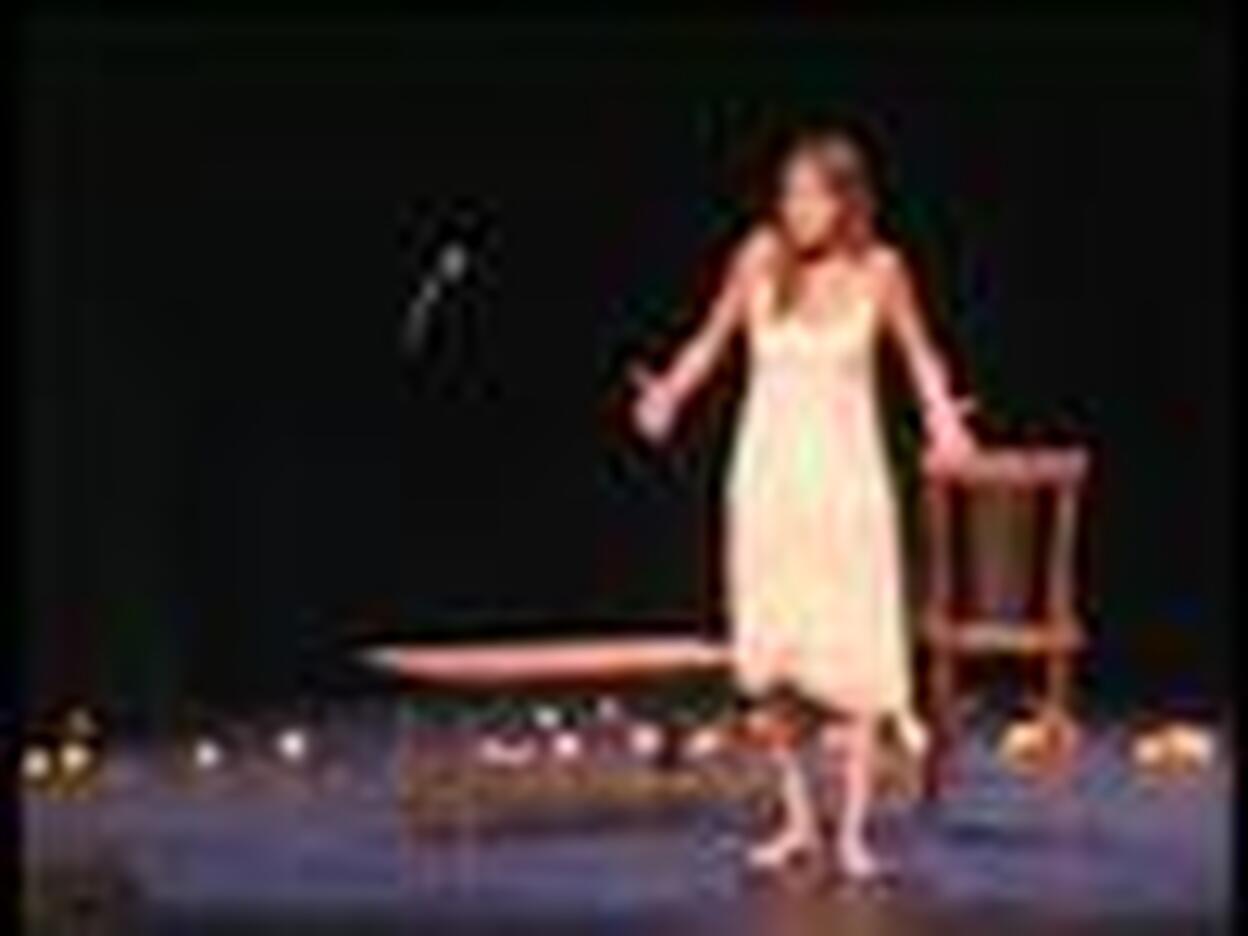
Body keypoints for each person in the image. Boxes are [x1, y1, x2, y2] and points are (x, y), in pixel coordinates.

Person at [629, 126, 978, 881]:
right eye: (788, 194)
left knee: (857, 653)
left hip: (848, 485)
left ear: (846, 200)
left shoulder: (882, 270)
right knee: (777, 653)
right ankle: (797, 821)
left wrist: (943, 420)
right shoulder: (758, 257)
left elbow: (921, 356)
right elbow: (710, 340)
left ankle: (852, 834)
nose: (796, 208)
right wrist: (671, 394)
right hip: (769, 482)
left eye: (812, 195)